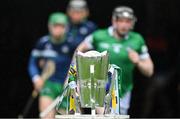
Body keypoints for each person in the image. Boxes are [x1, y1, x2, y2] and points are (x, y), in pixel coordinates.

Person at [74, 6, 154, 115]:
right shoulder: (99, 36)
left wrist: (138, 61)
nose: (124, 25)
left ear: (132, 23)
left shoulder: (137, 40)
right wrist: (73, 74)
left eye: (128, 21)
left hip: (123, 90)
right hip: (100, 86)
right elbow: (78, 52)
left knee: (118, 115)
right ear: (114, 21)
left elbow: (149, 71)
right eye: (121, 20)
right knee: (104, 114)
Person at [28, 12, 77, 118]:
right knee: (46, 115)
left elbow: (78, 64)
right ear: (50, 26)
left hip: (67, 86)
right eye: (56, 26)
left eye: (62, 26)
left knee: (67, 116)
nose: (58, 29)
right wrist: (36, 78)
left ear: (67, 27)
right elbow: (32, 63)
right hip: (49, 84)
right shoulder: (43, 43)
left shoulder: (72, 43)